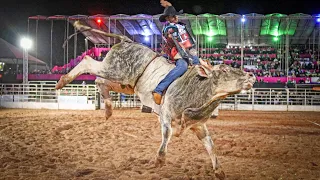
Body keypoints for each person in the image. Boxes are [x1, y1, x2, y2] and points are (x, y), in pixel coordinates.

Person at [152, 0, 201, 105]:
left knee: (200, 68)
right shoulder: (169, 27)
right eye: (173, 16)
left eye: (175, 16)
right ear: (168, 18)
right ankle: (158, 89)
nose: (176, 17)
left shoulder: (179, 26)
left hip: (186, 52)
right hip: (177, 54)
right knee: (182, 66)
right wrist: (170, 35)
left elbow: (187, 41)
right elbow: (169, 35)